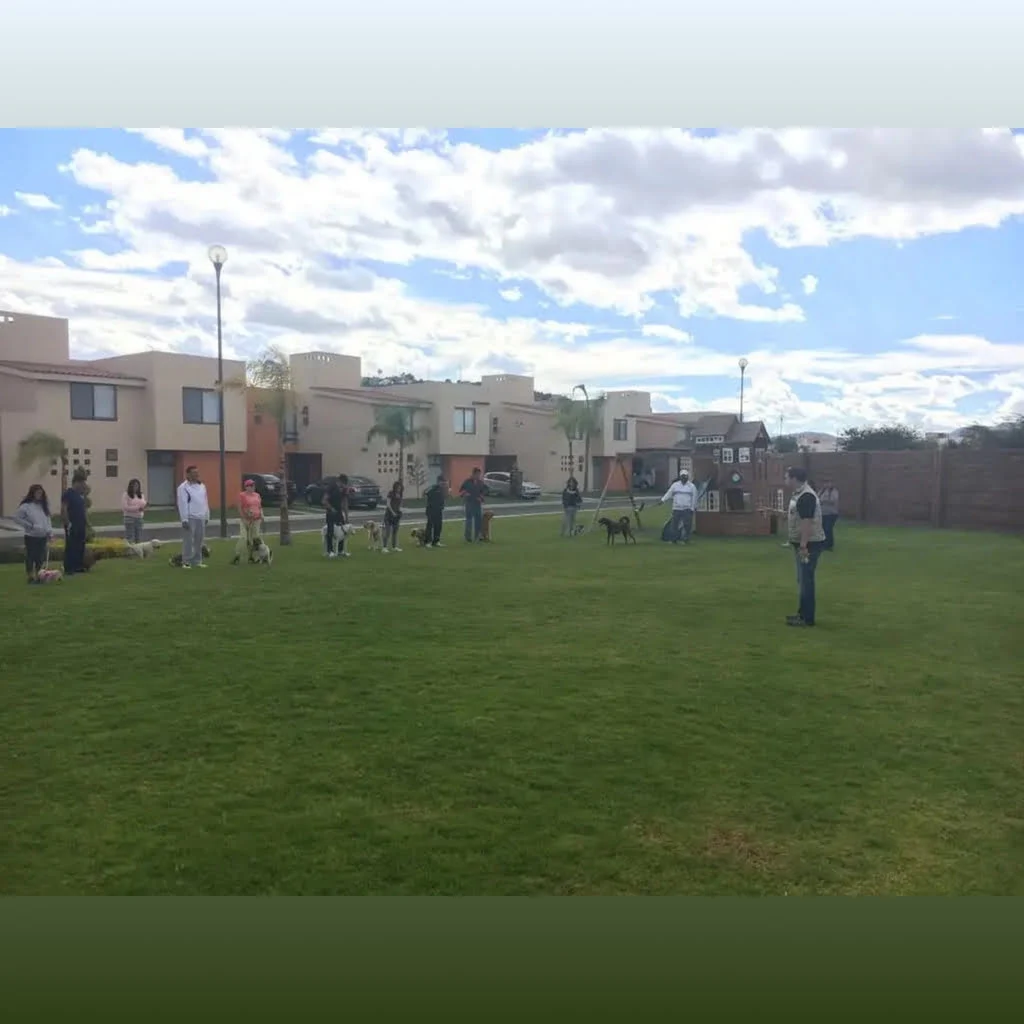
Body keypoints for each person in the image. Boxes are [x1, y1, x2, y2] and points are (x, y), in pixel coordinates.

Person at [785, 466, 826, 628]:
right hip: (805, 544)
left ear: (794, 479)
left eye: (786, 477)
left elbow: (806, 522)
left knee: (806, 581)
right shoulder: (800, 494)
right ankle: (802, 615)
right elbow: (798, 517)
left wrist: (803, 545)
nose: (785, 480)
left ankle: (807, 619)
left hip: (809, 545)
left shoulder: (806, 495)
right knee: (802, 580)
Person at [15, 484, 55, 584]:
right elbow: (17, 518)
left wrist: (50, 532)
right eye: (37, 493)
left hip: (43, 535)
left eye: (41, 493)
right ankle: (30, 575)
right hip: (31, 536)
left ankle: (39, 575)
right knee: (30, 556)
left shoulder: (44, 506)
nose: (39, 495)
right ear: (32, 493)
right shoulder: (26, 506)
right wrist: (29, 526)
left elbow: (47, 520)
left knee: (40, 557)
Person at [176, 465, 210, 569]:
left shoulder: (202, 486)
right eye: (194, 473)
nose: (196, 475)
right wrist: (184, 519)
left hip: (200, 516)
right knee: (188, 540)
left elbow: (205, 502)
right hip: (190, 517)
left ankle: (197, 560)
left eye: (197, 472)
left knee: (199, 540)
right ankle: (186, 561)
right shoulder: (183, 488)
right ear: (188, 475)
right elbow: (182, 503)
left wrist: (206, 515)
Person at [61, 471, 89, 575]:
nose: (83, 485)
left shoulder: (80, 495)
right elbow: (64, 509)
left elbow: (83, 510)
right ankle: (69, 567)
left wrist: (87, 523)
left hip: (80, 524)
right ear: (75, 482)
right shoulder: (68, 493)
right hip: (72, 524)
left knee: (80, 545)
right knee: (71, 545)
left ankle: (78, 566)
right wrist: (67, 523)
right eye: (81, 483)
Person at [659, 470, 698, 544]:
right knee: (674, 525)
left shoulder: (692, 486)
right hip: (677, 508)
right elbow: (669, 493)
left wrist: (692, 508)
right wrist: (662, 500)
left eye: (686, 476)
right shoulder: (675, 485)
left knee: (687, 525)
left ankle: (686, 539)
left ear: (688, 477)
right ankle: (674, 539)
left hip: (687, 508)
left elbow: (694, 498)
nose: (684, 478)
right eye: (683, 476)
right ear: (680, 477)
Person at [233, 478, 263, 564]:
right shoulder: (242, 495)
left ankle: (252, 556)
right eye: (250, 486)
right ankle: (237, 555)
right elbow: (240, 507)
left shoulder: (257, 495)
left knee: (254, 538)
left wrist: (261, 515)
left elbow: (259, 506)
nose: (252, 487)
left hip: (256, 520)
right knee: (243, 537)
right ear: (246, 487)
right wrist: (244, 517)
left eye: (253, 485)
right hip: (246, 520)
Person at [322, 473, 351, 559]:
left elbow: (345, 503)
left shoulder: (344, 490)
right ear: (340, 482)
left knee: (343, 531)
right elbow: (324, 500)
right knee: (330, 531)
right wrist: (331, 508)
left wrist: (346, 516)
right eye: (344, 484)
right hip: (331, 512)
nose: (344, 486)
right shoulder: (331, 487)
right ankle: (330, 551)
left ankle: (341, 551)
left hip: (338, 512)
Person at [460, 467, 486, 542]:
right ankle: (468, 537)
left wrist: (481, 498)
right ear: (473, 474)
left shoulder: (480, 482)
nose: (478, 476)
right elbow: (462, 491)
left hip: (477, 504)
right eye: (477, 474)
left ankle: (477, 536)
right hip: (469, 503)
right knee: (469, 520)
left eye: (479, 474)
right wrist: (465, 494)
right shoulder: (467, 482)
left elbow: (484, 491)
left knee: (478, 520)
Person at [424, 474, 448, 547]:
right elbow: (425, 493)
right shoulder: (433, 487)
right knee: (430, 525)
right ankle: (428, 542)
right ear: (438, 481)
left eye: (444, 482)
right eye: (442, 482)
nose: (443, 483)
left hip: (439, 510)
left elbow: (444, 498)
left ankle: (436, 541)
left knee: (438, 526)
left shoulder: (443, 489)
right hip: (431, 510)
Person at [121, 478, 147, 544]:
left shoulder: (141, 495)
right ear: (131, 486)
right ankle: (130, 551)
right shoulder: (126, 494)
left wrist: (143, 507)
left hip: (139, 518)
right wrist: (137, 508)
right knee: (130, 537)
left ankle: (138, 551)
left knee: (139, 537)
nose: (136, 487)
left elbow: (143, 503)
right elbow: (125, 507)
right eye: (134, 486)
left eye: (137, 486)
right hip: (129, 518)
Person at [382, 480, 403, 553]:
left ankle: (394, 547)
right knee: (387, 531)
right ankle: (384, 547)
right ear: (395, 487)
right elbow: (388, 504)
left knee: (395, 531)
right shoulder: (391, 493)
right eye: (398, 487)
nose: (399, 489)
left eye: (400, 488)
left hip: (396, 515)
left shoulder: (400, 494)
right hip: (389, 515)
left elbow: (399, 504)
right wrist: (392, 512)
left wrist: (398, 512)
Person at [819, 477, 840, 551]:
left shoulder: (834, 491)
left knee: (828, 529)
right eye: (825, 483)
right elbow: (818, 499)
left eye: (828, 483)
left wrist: (824, 500)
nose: (827, 484)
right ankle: (824, 544)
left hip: (831, 513)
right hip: (823, 513)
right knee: (823, 529)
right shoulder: (822, 491)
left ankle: (829, 545)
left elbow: (833, 501)